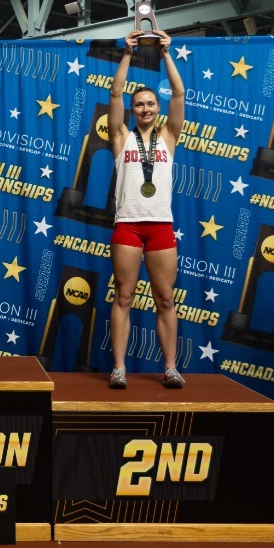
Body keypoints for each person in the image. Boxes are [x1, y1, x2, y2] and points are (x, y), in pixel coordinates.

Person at [107, 29, 186, 389]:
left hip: (160, 227)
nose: (145, 109)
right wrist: (127, 53)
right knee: (124, 296)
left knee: (165, 298)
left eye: (151, 104)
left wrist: (167, 54)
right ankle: (119, 368)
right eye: (139, 104)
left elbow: (180, 94)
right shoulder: (121, 137)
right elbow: (114, 93)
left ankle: (170, 367)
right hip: (128, 225)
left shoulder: (168, 137)